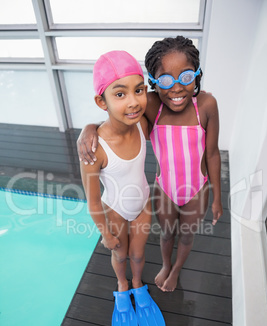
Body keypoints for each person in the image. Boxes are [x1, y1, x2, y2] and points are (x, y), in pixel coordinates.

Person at [78, 36, 223, 294]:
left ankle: (175, 270)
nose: (177, 88)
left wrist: (217, 198)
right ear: (155, 83)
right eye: (166, 80)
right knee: (166, 234)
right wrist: (88, 129)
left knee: (187, 236)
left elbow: (212, 154)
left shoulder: (207, 105)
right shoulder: (153, 104)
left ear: (198, 74)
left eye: (186, 77)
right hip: (164, 189)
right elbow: (119, 115)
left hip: (197, 190)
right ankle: (166, 265)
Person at [80, 50, 165, 326]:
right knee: (120, 253)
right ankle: (121, 286)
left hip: (142, 205)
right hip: (115, 210)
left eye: (138, 90)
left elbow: (170, 97)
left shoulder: (141, 124)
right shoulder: (95, 149)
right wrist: (105, 233)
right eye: (120, 94)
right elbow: (92, 201)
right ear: (101, 102)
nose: (133, 101)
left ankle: (138, 284)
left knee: (138, 254)